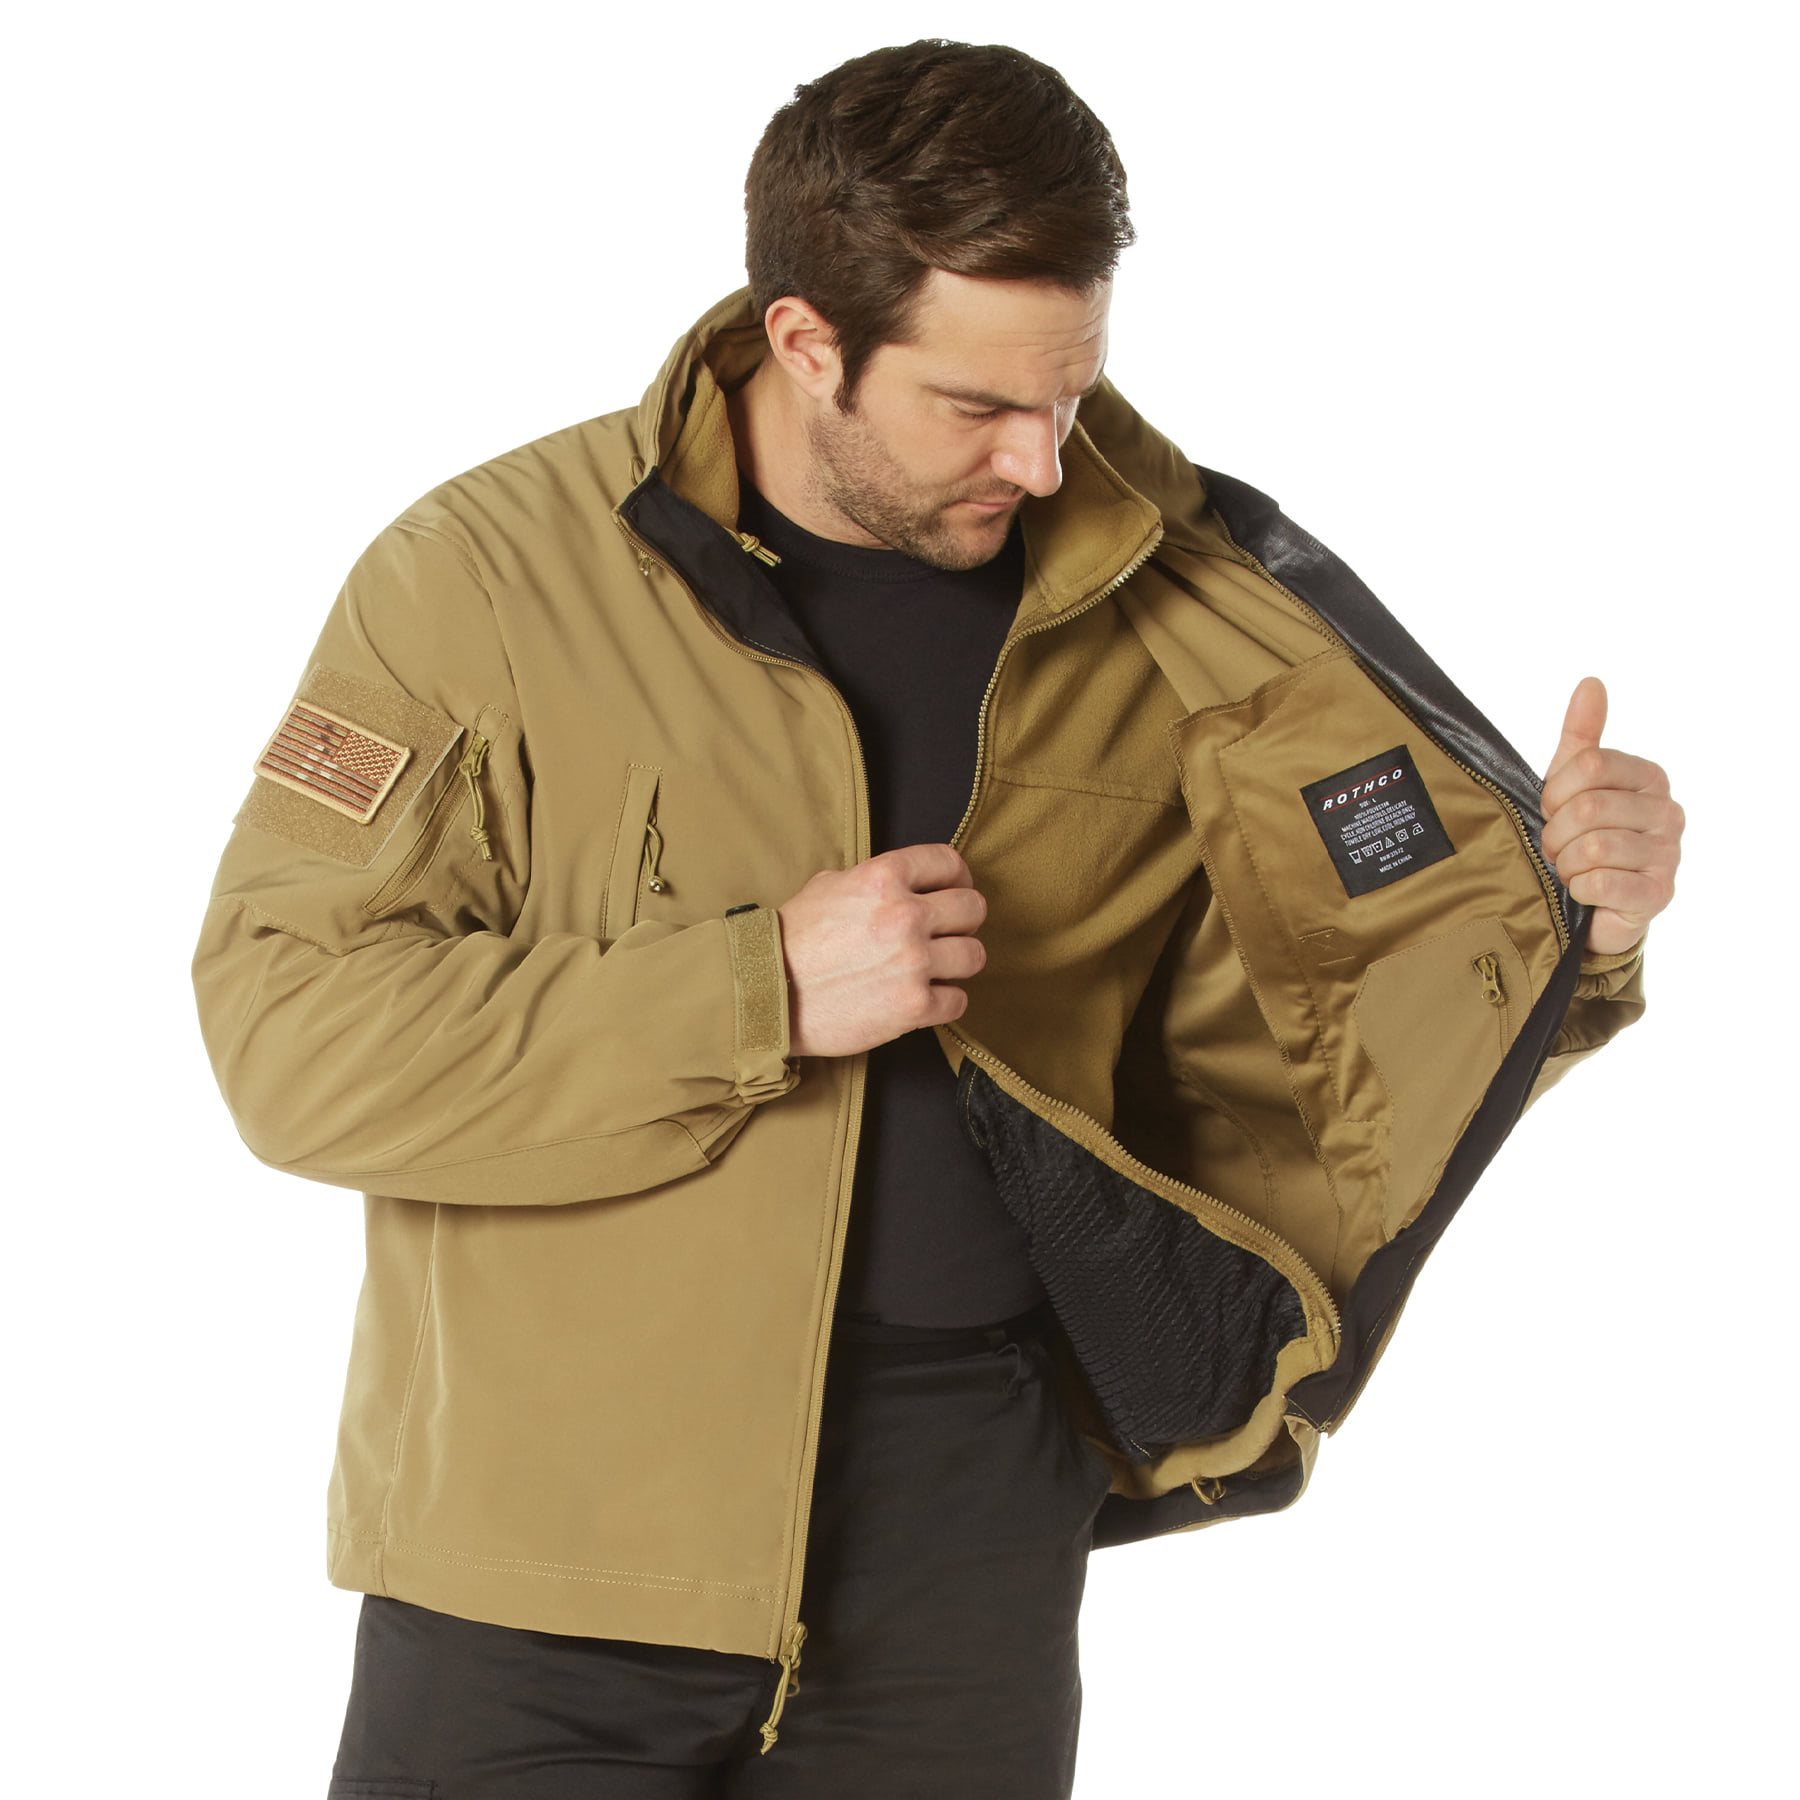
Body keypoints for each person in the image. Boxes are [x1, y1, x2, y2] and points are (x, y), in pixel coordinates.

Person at [189, 38, 1682, 1800]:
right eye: (976, 407)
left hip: (966, 1542)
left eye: (1071, 396)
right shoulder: (487, 578)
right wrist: (756, 988)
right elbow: (287, 1035)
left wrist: (1570, 927)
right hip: (547, 1538)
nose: (1040, 463)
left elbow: (1327, 1040)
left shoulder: (1178, 606)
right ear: (805, 339)